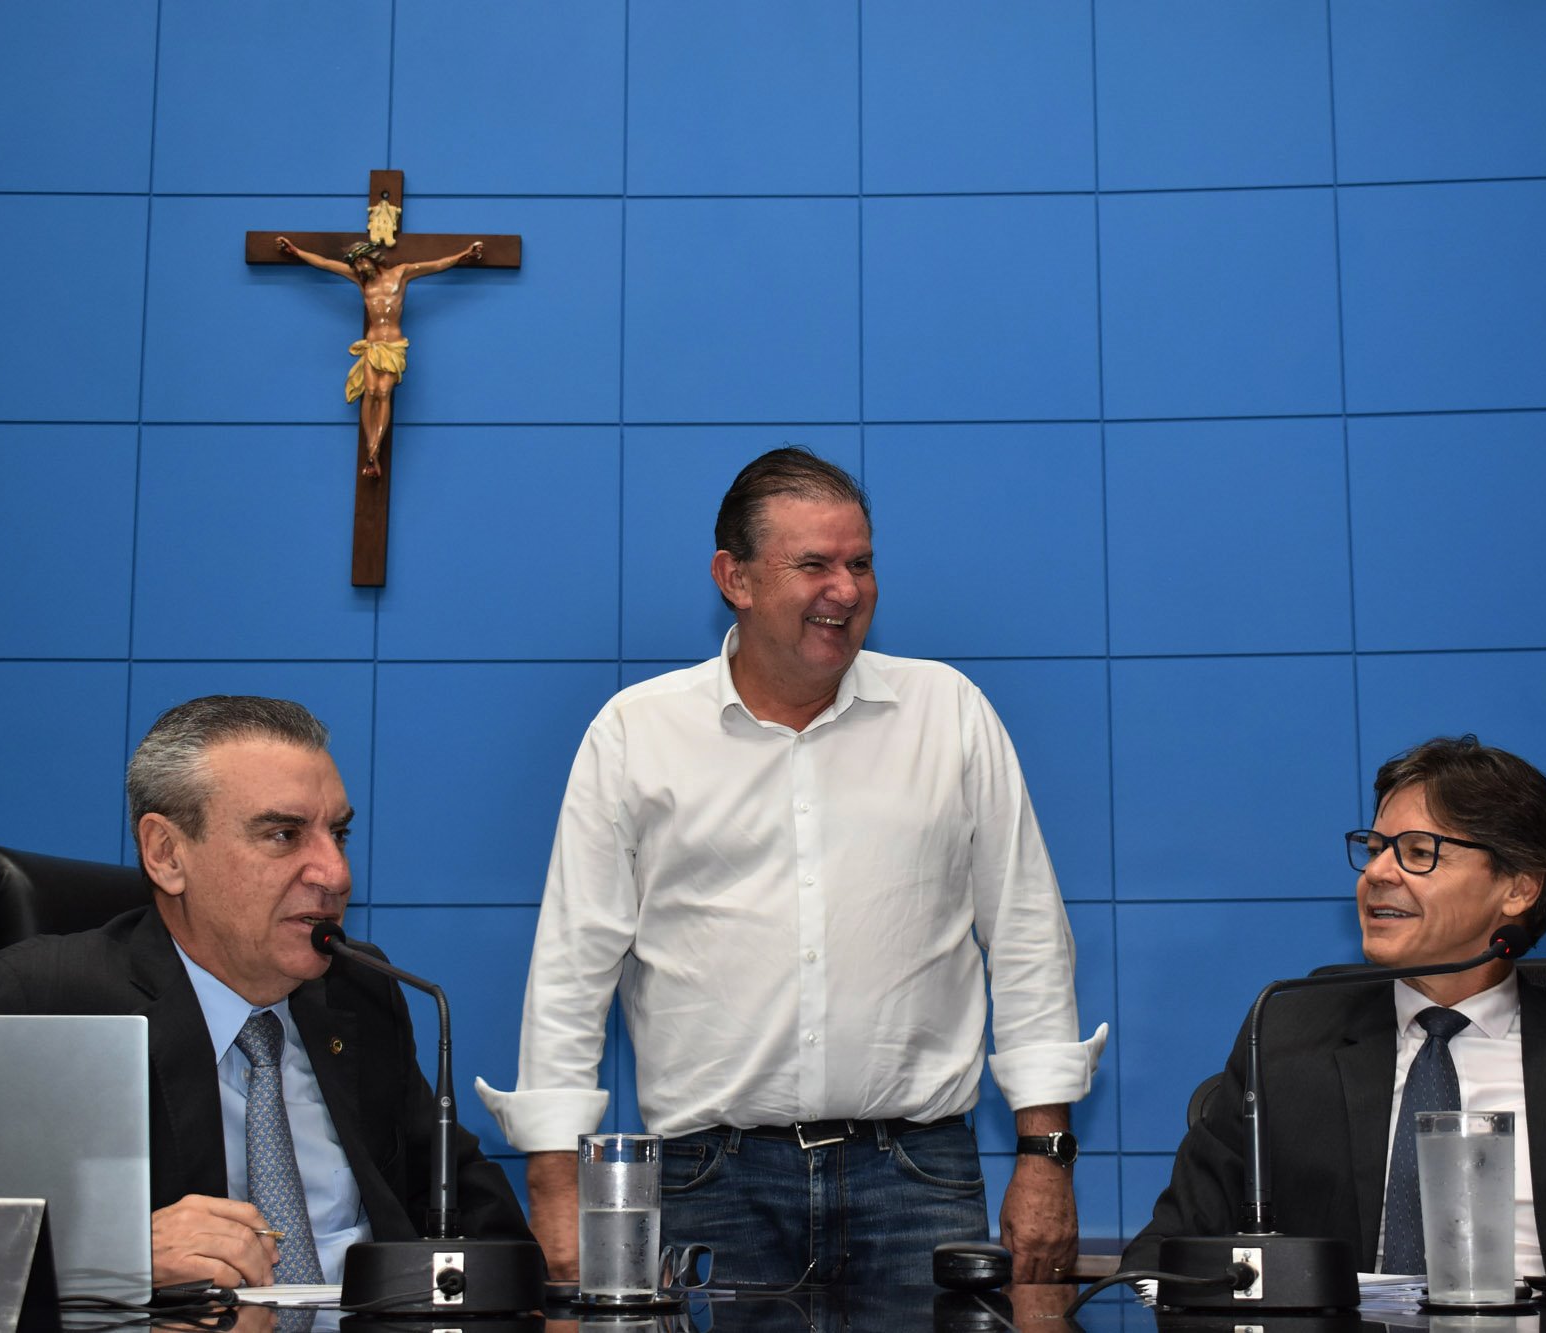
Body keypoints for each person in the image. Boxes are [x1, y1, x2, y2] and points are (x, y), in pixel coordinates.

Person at [476, 447, 1107, 1288]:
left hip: (918, 1179)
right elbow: (570, 970)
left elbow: (1028, 939)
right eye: (814, 565)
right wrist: (556, 1184)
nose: (846, 590)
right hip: (708, 1184)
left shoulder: (949, 713)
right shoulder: (635, 734)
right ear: (733, 578)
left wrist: (1046, 1156)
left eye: (861, 563)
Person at [0, 695, 532, 1289]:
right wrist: (113, 1254)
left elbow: (469, 1206)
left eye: (338, 833)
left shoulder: (360, 991)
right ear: (167, 854)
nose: (336, 874)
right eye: (284, 834)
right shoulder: (47, 1006)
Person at [1125, 736, 1546, 1280]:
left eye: (1419, 852)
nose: (1378, 873)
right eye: (1375, 848)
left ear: (1518, 889)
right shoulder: (1286, 1040)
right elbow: (1165, 1253)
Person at [273, 235, 484, 477]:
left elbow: (436, 265)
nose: (359, 268)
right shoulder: (360, 281)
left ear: (371, 257)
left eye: (361, 262)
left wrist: (463, 254)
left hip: (393, 345)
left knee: (384, 393)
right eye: (355, 264)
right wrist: (296, 251)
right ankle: (370, 449)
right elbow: (325, 264)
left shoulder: (401, 274)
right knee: (370, 392)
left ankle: (375, 448)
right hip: (373, 345)